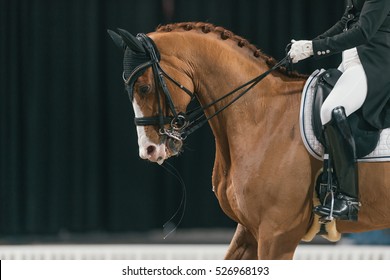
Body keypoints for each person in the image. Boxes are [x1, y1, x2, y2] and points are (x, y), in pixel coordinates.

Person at [289, 0, 390, 221]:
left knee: (332, 109)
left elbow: (364, 31)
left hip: (375, 63)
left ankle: (349, 198)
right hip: (352, 62)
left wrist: (313, 48)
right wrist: (310, 46)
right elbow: (346, 22)